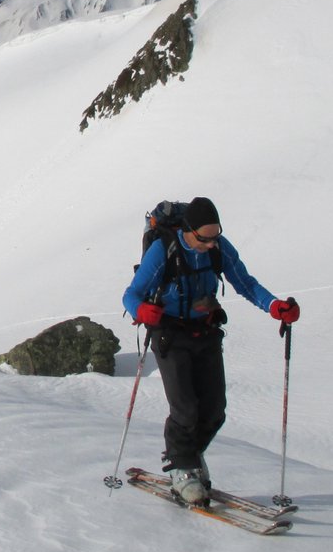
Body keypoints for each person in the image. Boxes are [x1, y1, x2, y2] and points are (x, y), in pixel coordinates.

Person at [121, 197, 299, 506]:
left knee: (215, 410)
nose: (211, 243)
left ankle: (188, 457)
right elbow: (131, 294)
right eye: (205, 238)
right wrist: (141, 310)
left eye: (216, 235)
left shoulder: (218, 247)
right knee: (186, 408)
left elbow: (245, 283)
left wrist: (275, 306)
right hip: (169, 334)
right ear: (188, 231)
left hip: (205, 330)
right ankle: (182, 469)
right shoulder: (164, 250)